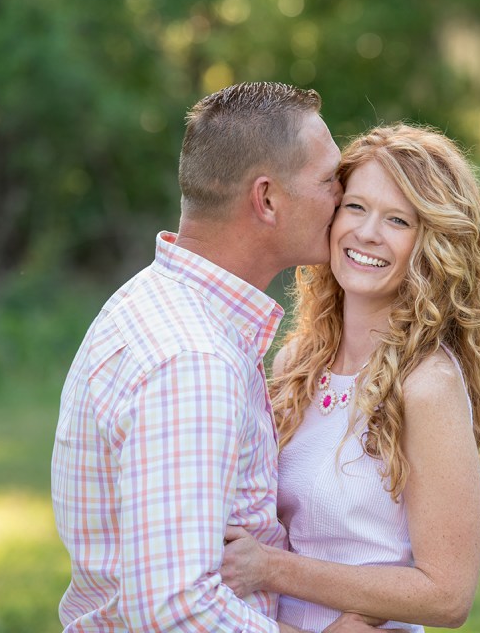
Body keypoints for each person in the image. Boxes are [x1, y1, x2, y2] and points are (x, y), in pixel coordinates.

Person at [51, 81, 344, 632]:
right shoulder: (192, 360)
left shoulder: (158, 304)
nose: (343, 197)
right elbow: (175, 609)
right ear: (267, 199)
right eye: (329, 179)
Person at [220, 123, 480, 632]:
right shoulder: (295, 365)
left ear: (431, 244)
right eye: (356, 207)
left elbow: (447, 595)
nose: (368, 232)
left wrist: (271, 569)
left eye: (398, 219)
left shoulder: (426, 384)